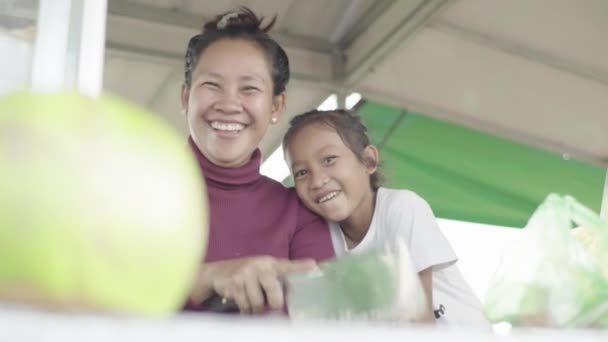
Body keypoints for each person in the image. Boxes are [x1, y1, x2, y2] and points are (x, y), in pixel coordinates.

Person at [181, 8, 335, 315]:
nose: (228, 104)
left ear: (276, 105)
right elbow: (95, 293)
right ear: (186, 98)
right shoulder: (133, 188)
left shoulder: (298, 212)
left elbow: (325, 315)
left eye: (249, 88)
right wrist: (208, 278)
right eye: (212, 85)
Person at [283, 109, 487, 325]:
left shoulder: (403, 208)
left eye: (329, 160)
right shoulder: (319, 237)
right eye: (302, 173)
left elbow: (420, 321)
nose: (317, 181)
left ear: (368, 161)